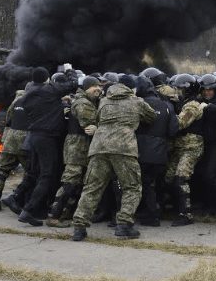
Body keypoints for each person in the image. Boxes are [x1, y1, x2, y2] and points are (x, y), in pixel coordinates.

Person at [71, 75, 156, 241]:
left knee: (92, 187)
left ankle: (79, 228)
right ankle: (124, 225)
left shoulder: (103, 101)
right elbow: (151, 117)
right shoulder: (136, 101)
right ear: (132, 89)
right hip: (123, 148)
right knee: (131, 187)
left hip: (99, 147)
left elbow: (96, 119)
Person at [17, 67, 77, 226]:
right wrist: (69, 70)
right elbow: (73, 83)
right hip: (47, 137)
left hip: (35, 137)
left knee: (37, 173)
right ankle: (28, 210)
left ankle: (29, 208)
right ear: (46, 79)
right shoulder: (48, 90)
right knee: (47, 175)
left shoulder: (28, 96)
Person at [45, 76, 101, 227]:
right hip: (77, 145)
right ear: (86, 88)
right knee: (70, 181)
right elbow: (89, 124)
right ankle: (54, 215)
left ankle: (65, 212)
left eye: (99, 86)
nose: (98, 89)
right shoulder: (83, 103)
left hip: (81, 145)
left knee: (77, 182)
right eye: (94, 86)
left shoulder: (87, 101)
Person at [135, 75, 179, 226]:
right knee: (156, 183)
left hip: (140, 151)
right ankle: (157, 211)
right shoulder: (167, 105)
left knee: (143, 184)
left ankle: (150, 214)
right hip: (161, 153)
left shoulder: (137, 103)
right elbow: (173, 130)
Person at [164, 74, 205, 226]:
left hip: (191, 148)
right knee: (168, 178)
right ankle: (175, 208)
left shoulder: (192, 105)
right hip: (179, 147)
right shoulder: (184, 103)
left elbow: (179, 124)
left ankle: (185, 214)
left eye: (179, 89)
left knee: (180, 178)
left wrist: (167, 110)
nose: (176, 91)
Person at [194, 73, 216, 218]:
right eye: (205, 90)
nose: (207, 92)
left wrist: (210, 107)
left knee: (211, 175)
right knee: (200, 174)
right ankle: (205, 204)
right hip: (202, 143)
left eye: (210, 90)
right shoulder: (198, 101)